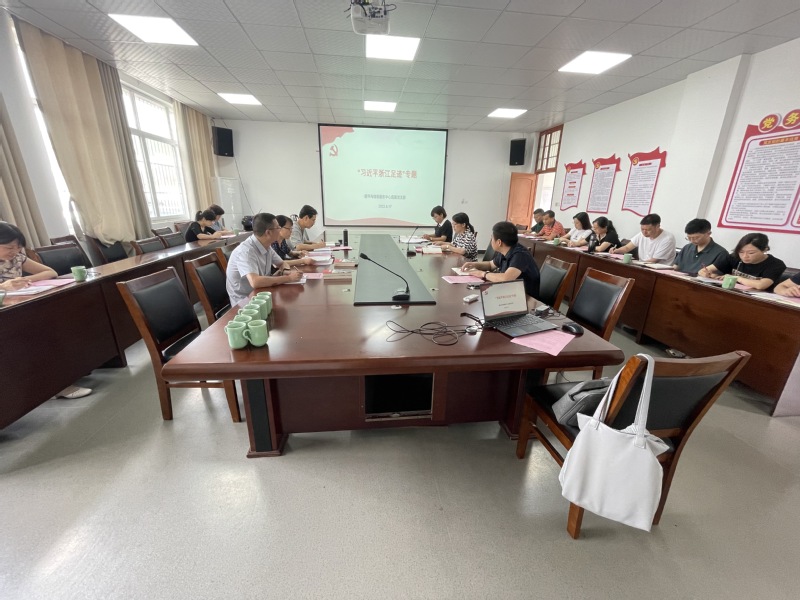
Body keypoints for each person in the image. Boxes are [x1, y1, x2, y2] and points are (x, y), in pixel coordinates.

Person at [0, 223, 92, 399]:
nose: (15, 251)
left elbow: (50, 272)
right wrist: (3, 286)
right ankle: (56, 386)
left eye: (18, 247)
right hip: (6, 319)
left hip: (21, 309)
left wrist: (24, 280)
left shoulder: (17, 258)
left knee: (53, 328)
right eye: (9, 247)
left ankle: (61, 380)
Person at [226, 213, 310, 305]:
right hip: (245, 302)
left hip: (262, 292)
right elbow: (255, 282)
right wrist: (288, 278)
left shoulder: (266, 245)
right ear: (268, 232)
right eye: (278, 227)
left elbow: (282, 263)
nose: (280, 230)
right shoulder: (246, 251)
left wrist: (285, 271)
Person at [461, 221, 540, 298]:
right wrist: (474, 264)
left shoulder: (520, 254)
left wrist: (483, 274)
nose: (491, 241)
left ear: (499, 242)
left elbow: (506, 278)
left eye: (492, 238)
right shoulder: (506, 250)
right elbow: (490, 265)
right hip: (510, 292)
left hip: (525, 298)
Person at [699, 233, 786, 291]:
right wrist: (706, 273)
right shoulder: (734, 257)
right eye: (741, 252)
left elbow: (761, 285)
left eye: (751, 253)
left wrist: (736, 278)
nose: (745, 256)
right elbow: (704, 270)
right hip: (732, 293)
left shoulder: (776, 264)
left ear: (764, 250)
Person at [611, 213, 676, 264]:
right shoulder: (642, 234)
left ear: (657, 227)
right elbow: (627, 248)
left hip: (658, 272)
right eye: (642, 229)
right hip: (642, 266)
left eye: (648, 230)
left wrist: (634, 263)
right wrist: (616, 250)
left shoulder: (668, 239)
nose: (644, 232)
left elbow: (653, 261)